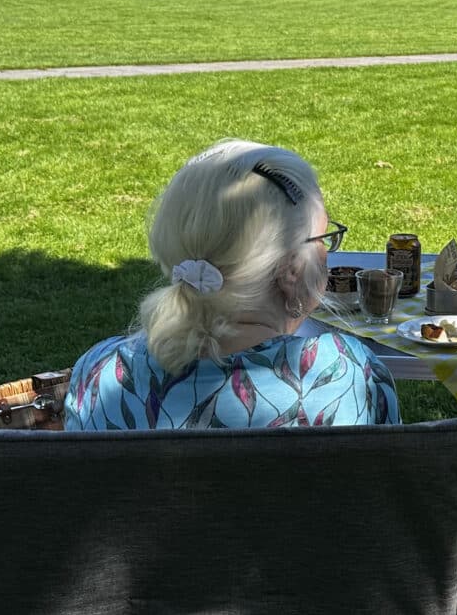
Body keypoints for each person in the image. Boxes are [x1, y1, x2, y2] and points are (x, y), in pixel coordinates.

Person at [63, 140, 399, 431]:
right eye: (324, 239)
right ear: (291, 270)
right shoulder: (352, 374)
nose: (328, 254)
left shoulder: (100, 376)